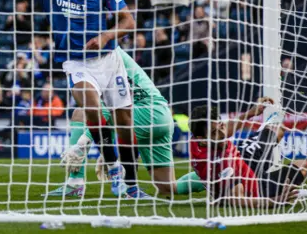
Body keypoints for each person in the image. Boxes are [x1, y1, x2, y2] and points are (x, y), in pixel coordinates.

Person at [0, 0, 145, 198]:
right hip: (76, 62)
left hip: (108, 58)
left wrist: (105, 36)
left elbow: (128, 20)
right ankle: (114, 170)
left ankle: (131, 184)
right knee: (90, 106)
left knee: (124, 120)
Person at [47, 47, 206, 198]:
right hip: (161, 115)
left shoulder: (103, 55)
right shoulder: (106, 50)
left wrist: (83, 145)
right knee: (168, 187)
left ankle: (76, 183)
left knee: (80, 113)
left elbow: (107, 109)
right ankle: (214, 176)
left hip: (145, 112)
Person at [189, 98, 307, 207]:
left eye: (221, 125)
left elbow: (226, 129)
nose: (223, 134)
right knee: (304, 165)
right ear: (203, 139)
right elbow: (237, 200)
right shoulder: (223, 165)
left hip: (242, 161)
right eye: (215, 132)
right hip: (255, 186)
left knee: (277, 129)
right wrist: (274, 201)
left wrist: (250, 113)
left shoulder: (195, 141)